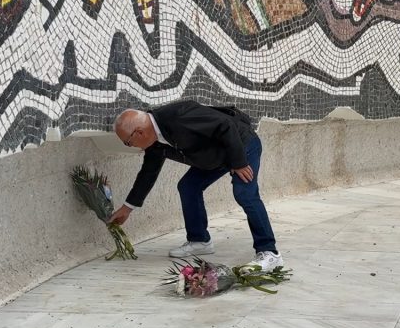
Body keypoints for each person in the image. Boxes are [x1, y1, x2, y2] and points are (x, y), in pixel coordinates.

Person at [108, 100, 283, 271]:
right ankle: (200, 241)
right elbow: (148, 173)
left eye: (128, 142)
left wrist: (238, 162)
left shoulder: (179, 115)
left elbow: (225, 125)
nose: (131, 146)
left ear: (139, 132)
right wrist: (127, 208)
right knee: (188, 187)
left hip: (242, 145)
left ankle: (269, 252)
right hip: (215, 157)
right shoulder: (154, 143)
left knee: (244, 193)